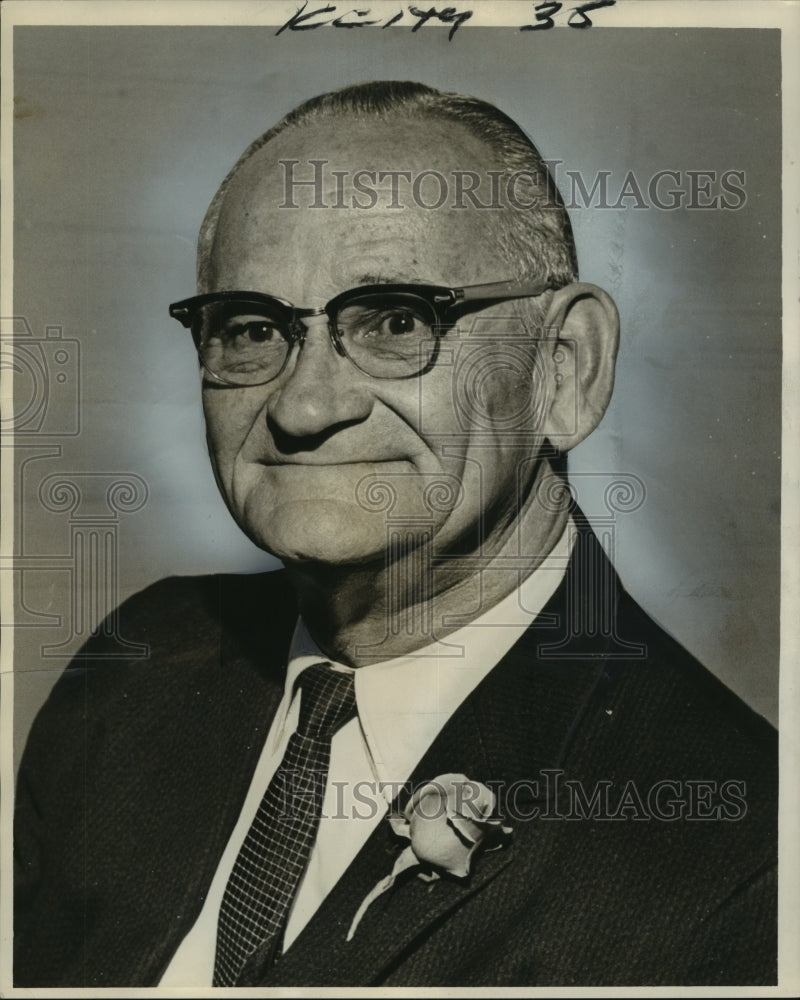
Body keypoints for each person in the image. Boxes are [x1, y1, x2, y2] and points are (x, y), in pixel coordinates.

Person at [14, 80, 777, 987]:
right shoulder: (134, 672)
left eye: (396, 321)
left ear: (564, 371)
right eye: (254, 329)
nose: (303, 405)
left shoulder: (742, 857)